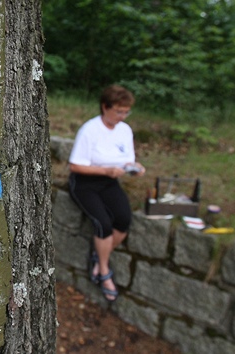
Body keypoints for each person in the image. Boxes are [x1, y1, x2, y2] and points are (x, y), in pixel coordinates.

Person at [68, 85, 145, 301]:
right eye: (118, 111)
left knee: (123, 220)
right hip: (85, 183)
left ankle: (99, 256)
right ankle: (103, 269)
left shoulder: (125, 130)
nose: (122, 116)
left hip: (109, 182)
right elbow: (75, 166)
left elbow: (126, 159)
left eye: (126, 112)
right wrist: (106, 170)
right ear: (105, 107)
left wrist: (134, 167)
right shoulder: (89, 130)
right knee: (103, 223)